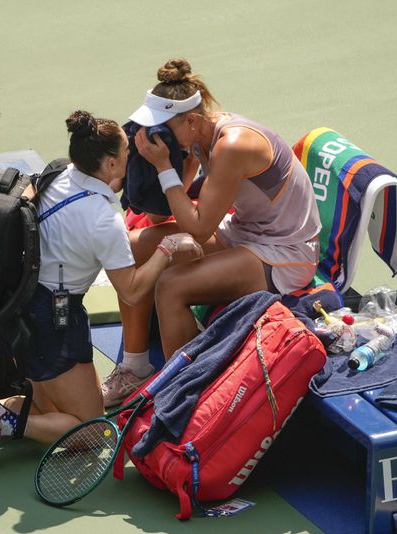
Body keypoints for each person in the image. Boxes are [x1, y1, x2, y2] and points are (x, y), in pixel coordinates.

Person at [0, 110, 203, 472]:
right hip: (55, 319)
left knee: (54, 409)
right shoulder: (103, 218)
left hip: (18, 305)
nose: (130, 160)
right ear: (110, 162)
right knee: (93, 432)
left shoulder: (59, 172)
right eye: (126, 155)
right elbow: (131, 291)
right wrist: (168, 250)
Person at [100, 57, 322, 407]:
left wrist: (162, 167)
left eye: (160, 128)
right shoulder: (196, 137)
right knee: (127, 249)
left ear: (190, 120)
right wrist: (152, 170)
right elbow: (165, 213)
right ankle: (135, 366)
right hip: (242, 232)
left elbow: (199, 230)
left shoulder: (232, 145)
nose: (153, 136)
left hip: (284, 252)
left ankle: (183, 396)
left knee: (171, 285)